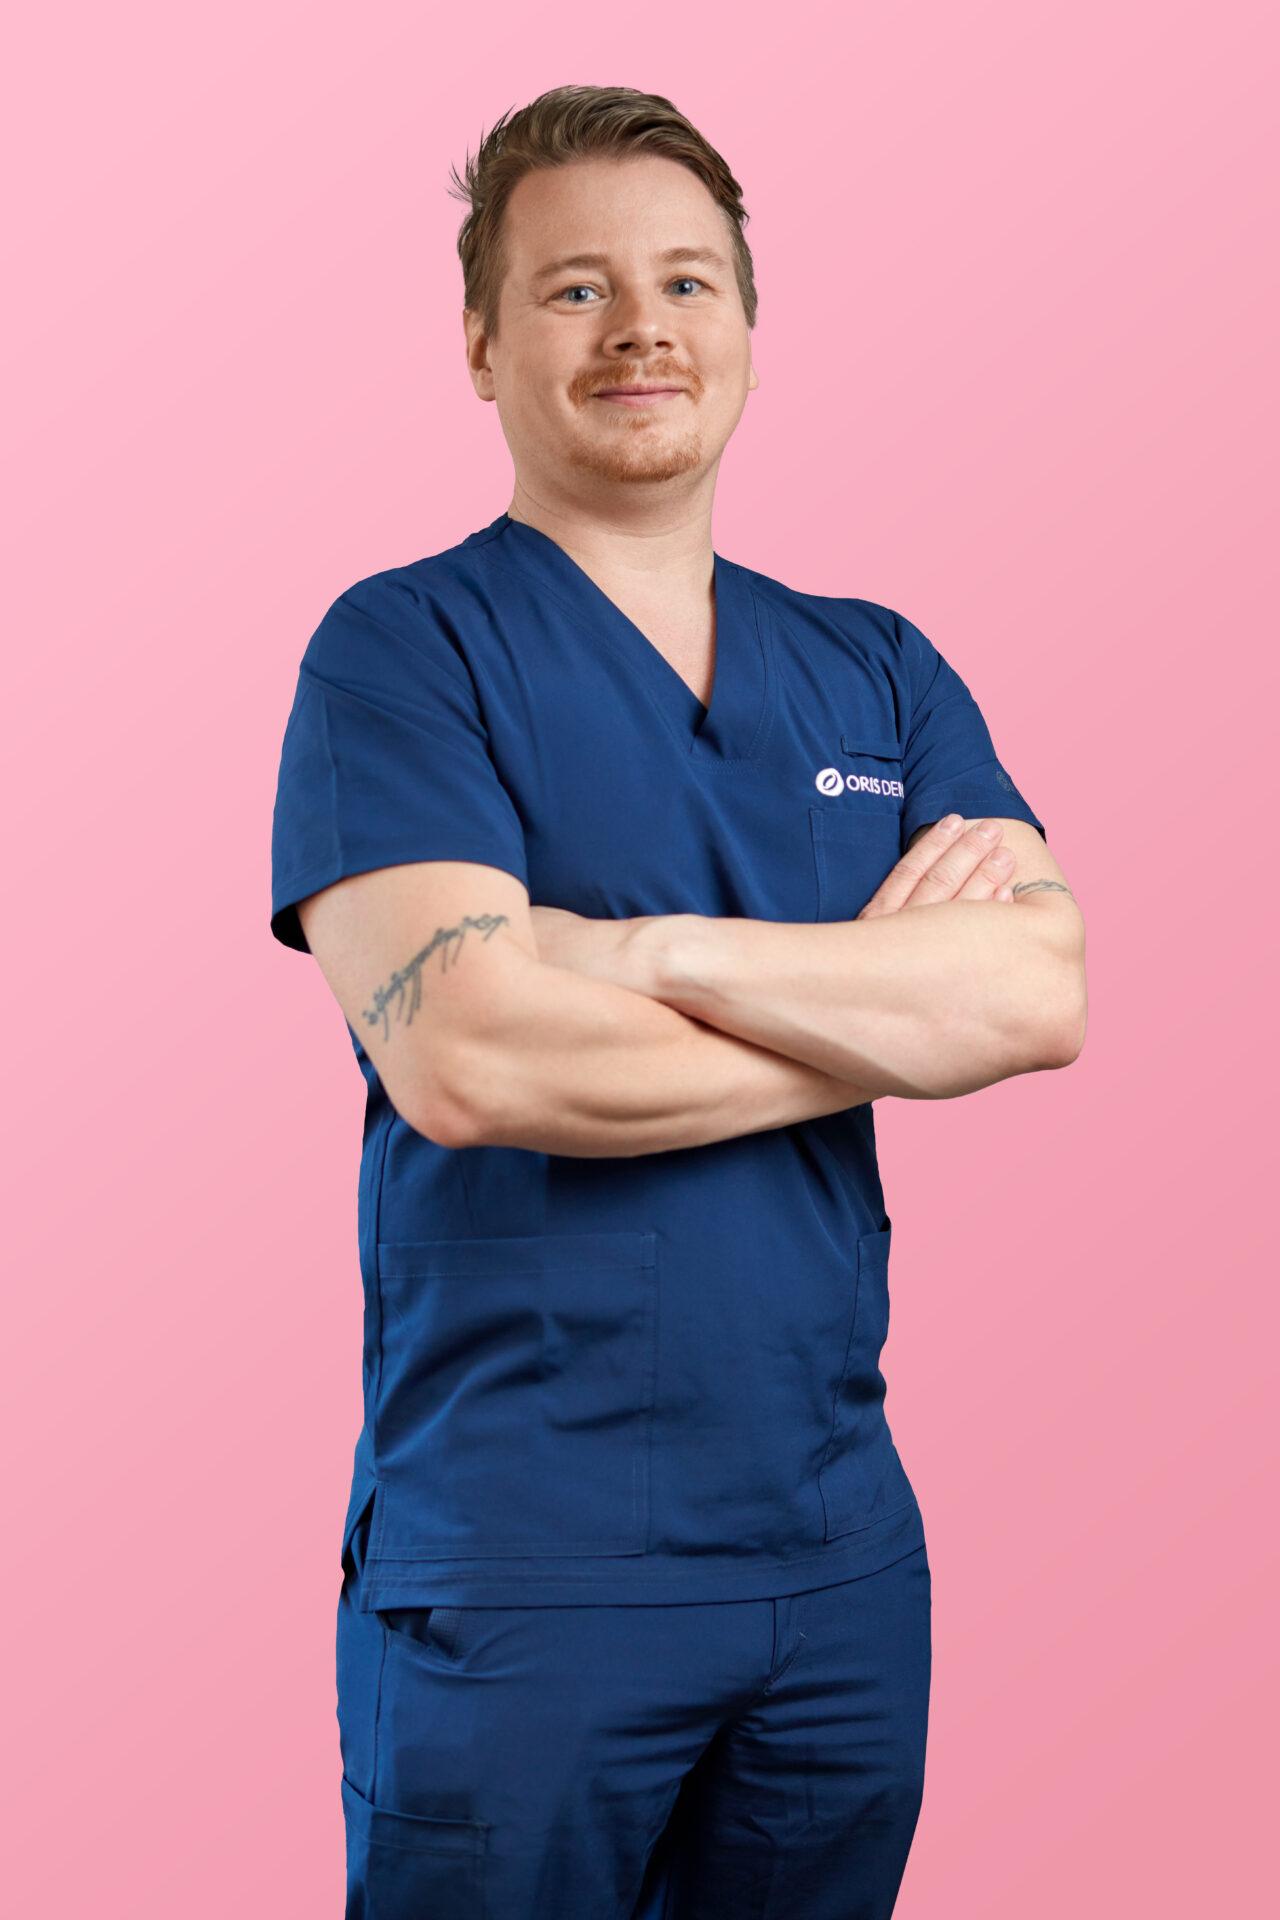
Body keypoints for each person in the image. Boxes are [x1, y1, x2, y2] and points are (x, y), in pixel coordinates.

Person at [268, 82, 1086, 1920]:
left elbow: (1039, 990)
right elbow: (472, 1055)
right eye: (575, 289)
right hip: (524, 1574)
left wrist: (639, 950)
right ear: (481, 344)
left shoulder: (878, 667)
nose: (641, 328)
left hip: (837, 1564)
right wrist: (885, 1016)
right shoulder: (401, 652)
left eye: (687, 283)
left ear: (748, 330)